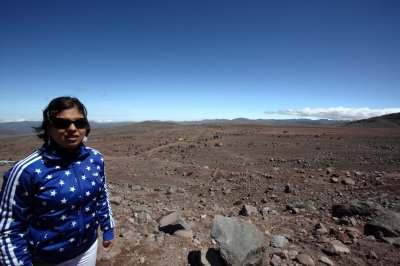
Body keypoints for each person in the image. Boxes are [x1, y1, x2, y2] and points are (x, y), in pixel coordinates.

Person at [0, 96, 115, 265]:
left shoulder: (95, 158)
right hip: (47, 258)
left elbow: (101, 195)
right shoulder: (26, 171)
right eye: (62, 124)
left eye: (80, 122)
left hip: (87, 248)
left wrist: (108, 228)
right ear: (48, 127)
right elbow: (8, 230)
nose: (72, 128)